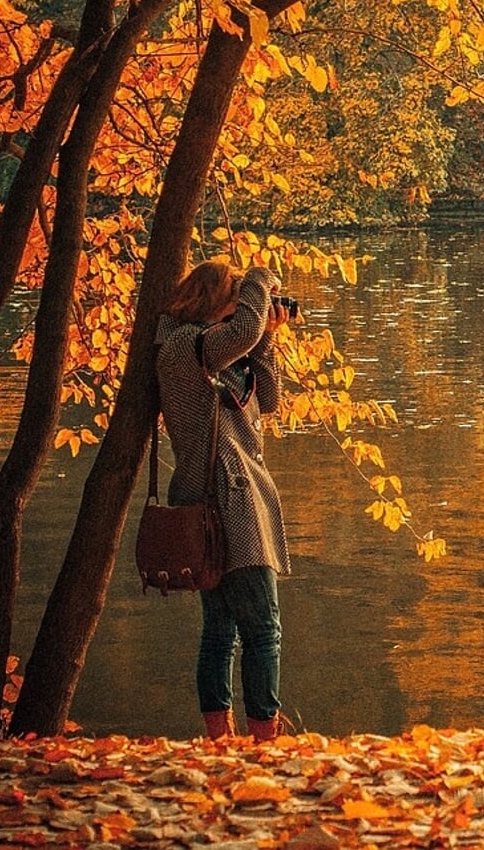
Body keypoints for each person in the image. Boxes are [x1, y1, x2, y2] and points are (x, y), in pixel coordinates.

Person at [155, 259, 291, 741]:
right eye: (236, 298)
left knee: (223, 632)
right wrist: (259, 277)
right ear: (217, 301)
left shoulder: (217, 355)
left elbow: (269, 400)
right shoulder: (184, 348)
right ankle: (264, 737)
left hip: (233, 494)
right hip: (223, 499)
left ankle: (223, 737)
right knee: (262, 630)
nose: (244, 312)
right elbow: (244, 330)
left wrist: (267, 338)